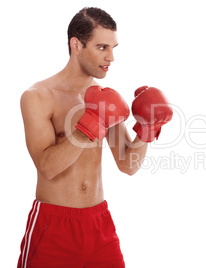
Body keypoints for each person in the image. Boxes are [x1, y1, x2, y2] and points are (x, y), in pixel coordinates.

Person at [18, 7, 172, 268]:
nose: (111, 57)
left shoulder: (104, 97)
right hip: (53, 226)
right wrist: (90, 124)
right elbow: (48, 167)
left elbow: (128, 164)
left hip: (99, 225)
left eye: (114, 47)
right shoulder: (38, 96)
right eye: (102, 47)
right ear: (76, 45)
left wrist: (147, 127)